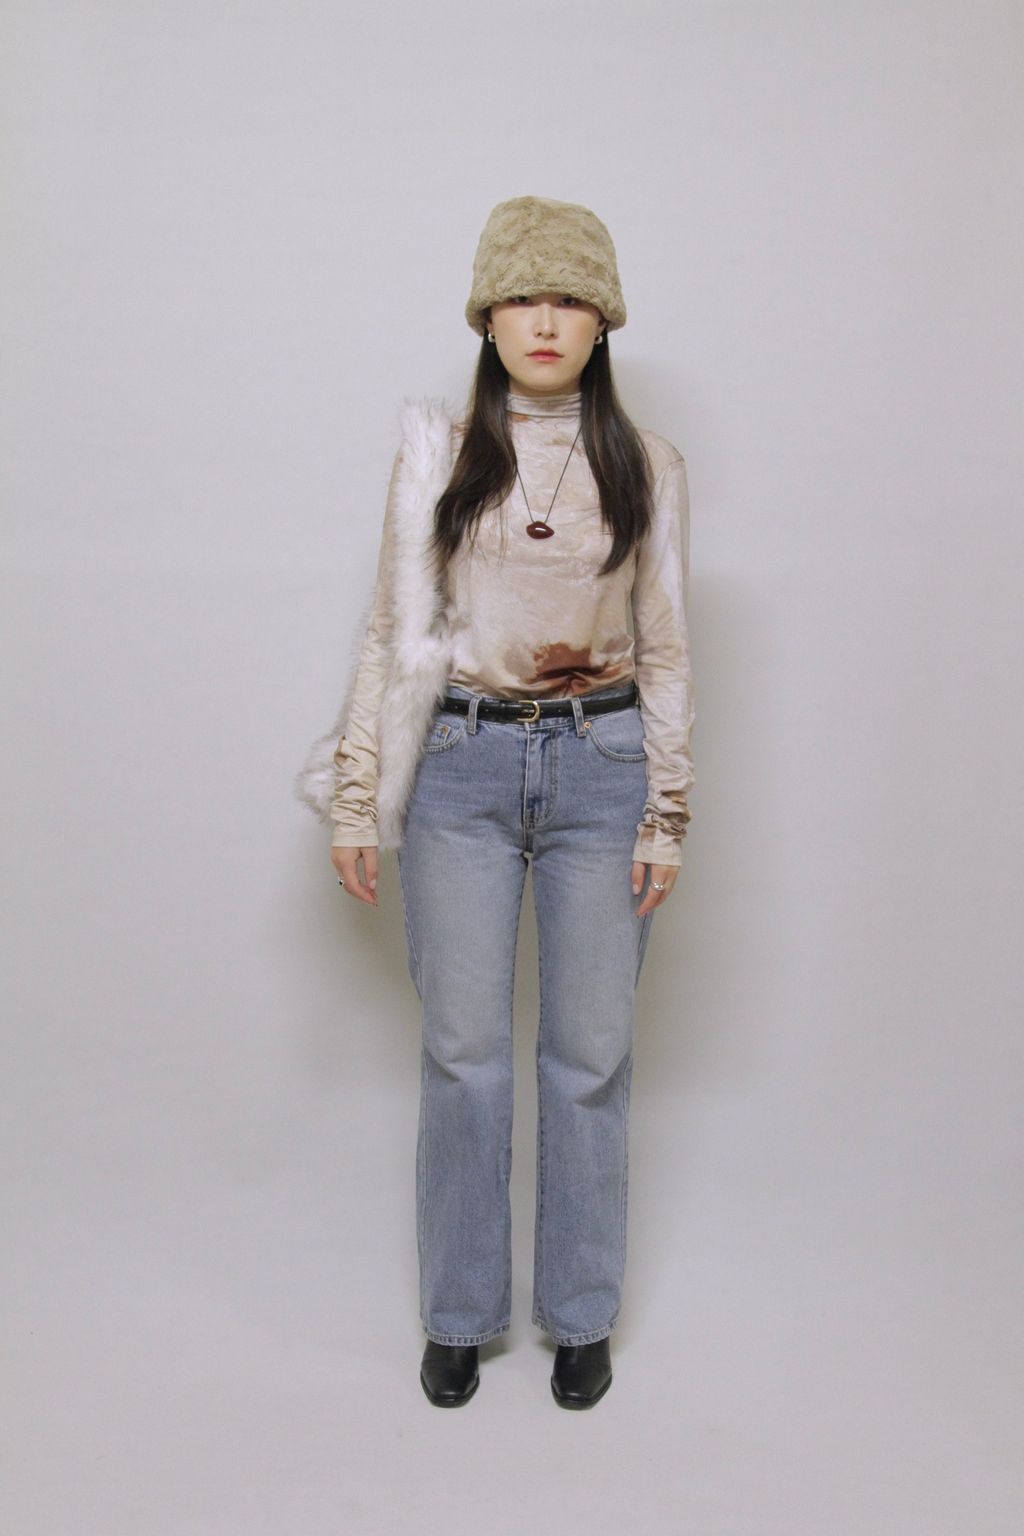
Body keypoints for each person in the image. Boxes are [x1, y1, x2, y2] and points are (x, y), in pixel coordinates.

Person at [309, 195, 694, 1409]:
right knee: (463, 1053)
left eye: (570, 298)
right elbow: (393, 631)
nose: (544, 319)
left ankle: (580, 1315)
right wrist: (358, 798)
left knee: (589, 1056)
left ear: (602, 322)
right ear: (486, 316)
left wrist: (666, 810)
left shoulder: (647, 466)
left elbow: (666, 645)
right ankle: (460, 1313)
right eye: (523, 296)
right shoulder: (436, 457)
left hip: (600, 769)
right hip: (462, 768)